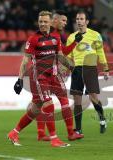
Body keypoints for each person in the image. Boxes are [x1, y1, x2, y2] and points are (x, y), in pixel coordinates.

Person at [7, 10, 70, 147]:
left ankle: (14, 132)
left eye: (45, 22)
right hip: (40, 77)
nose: (42, 24)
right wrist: (19, 80)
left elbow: (60, 56)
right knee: (49, 104)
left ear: (50, 22)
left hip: (53, 76)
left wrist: (72, 68)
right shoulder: (33, 39)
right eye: (40, 21)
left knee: (35, 109)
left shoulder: (55, 37)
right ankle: (54, 139)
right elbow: (25, 61)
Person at [34, 10, 84, 141]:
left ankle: (67, 133)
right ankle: (42, 134)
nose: (65, 23)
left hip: (54, 73)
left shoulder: (56, 35)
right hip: (42, 74)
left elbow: (62, 53)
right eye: (63, 20)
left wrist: (74, 43)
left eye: (66, 21)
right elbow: (60, 55)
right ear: (54, 20)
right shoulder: (48, 35)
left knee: (61, 102)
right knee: (41, 103)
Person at [66, 10, 109, 136]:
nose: (79, 21)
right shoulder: (71, 37)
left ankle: (102, 119)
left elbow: (101, 53)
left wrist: (106, 69)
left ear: (87, 21)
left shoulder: (95, 35)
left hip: (90, 68)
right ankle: (78, 129)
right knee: (77, 100)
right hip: (77, 69)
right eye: (77, 19)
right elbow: (68, 55)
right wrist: (71, 67)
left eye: (81, 19)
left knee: (93, 97)